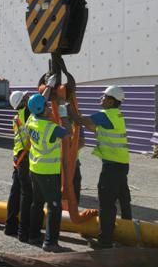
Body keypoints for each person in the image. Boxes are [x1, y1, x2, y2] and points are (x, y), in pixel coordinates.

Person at [68, 85, 132, 249]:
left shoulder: (106, 114)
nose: (101, 99)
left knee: (106, 202)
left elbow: (80, 121)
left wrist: (66, 104)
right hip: (121, 164)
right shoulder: (116, 115)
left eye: (103, 97)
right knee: (123, 197)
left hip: (112, 166)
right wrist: (80, 117)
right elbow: (92, 126)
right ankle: (128, 234)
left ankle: (105, 240)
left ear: (111, 101)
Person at [26, 81, 71, 253]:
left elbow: (37, 104)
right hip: (48, 173)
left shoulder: (32, 120)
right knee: (54, 206)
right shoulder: (51, 128)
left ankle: (34, 234)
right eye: (47, 106)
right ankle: (50, 242)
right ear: (44, 110)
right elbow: (68, 131)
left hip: (35, 169)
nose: (49, 107)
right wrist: (63, 111)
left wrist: (49, 87)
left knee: (37, 203)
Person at [4, 90, 33, 242]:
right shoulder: (27, 112)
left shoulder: (18, 116)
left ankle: (10, 227)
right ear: (22, 101)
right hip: (25, 158)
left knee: (15, 193)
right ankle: (24, 232)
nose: (29, 98)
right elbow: (40, 101)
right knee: (27, 194)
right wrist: (49, 86)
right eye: (26, 97)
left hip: (18, 157)